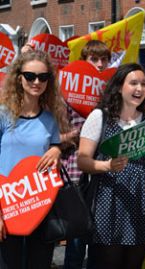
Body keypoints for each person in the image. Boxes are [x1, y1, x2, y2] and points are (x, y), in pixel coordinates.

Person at [77, 63, 145, 269]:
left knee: (134, 262)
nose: (139, 89)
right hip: (108, 199)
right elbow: (82, 160)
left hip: (140, 199)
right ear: (119, 87)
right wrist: (107, 165)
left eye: (143, 84)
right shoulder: (100, 116)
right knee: (107, 261)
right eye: (133, 83)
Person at [0, 50, 67, 268]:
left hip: (40, 205)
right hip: (8, 207)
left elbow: (51, 149)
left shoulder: (50, 119)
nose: (36, 82)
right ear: (18, 77)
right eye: (30, 76)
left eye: (43, 77)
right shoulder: (3, 115)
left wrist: (57, 149)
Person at [63, 39, 112, 269]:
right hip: (76, 174)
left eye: (104, 59)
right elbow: (53, 137)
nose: (100, 64)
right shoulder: (68, 97)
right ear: (83, 61)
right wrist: (74, 135)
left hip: (104, 175)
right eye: (94, 59)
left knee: (98, 240)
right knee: (76, 241)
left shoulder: (110, 97)